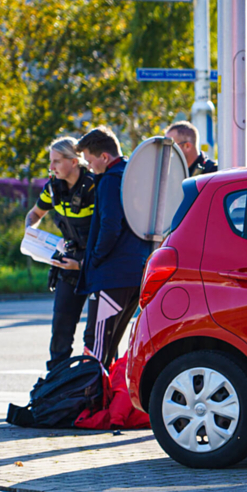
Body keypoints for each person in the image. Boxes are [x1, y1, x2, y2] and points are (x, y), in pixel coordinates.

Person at [75, 126, 152, 368]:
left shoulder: (110, 180)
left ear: (104, 157)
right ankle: (109, 392)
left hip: (111, 275)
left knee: (96, 347)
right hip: (136, 272)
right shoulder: (134, 176)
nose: (89, 168)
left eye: (90, 161)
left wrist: (96, 258)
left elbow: (110, 225)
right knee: (111, 347)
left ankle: (92, 391)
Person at [25, 137, 98, 371]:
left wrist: (83, 264)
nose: (51, 167)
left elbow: (110, 234)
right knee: (60, 330)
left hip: (97, 265)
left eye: (56, 161)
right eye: (51, 161)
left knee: (96, 337)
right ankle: (56, 382)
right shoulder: (52, 187)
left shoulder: (94, 187)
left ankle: (99, 384)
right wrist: (31, 233)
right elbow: (35, 214)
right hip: (67, 263)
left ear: (74, 161)